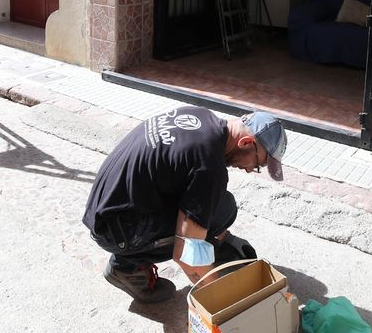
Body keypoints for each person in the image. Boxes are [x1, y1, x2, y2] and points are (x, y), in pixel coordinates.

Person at [82, 106, 288, 303]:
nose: (250, 170)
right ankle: (125, 266)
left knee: (223, 206)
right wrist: (223, 301)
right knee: (197, 233)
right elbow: (187, 254)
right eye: (257, 164)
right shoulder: (209, 167)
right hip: (117, 229)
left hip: (105, 205)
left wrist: (225, 238)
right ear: (245, 143)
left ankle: (210, 242)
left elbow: (187, 182)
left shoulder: (200, 116)